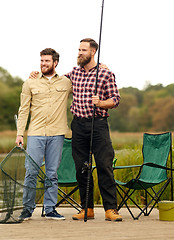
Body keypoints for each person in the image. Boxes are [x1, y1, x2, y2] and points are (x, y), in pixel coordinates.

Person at [65, 38, 122, 221]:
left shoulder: (105, 74)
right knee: (82, 167)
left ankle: (110, 209)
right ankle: (87, 208)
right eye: (79, 49)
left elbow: (115, 100)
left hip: (98, 125)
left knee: (104, 166)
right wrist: (37, 74)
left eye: (83, 50)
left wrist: (101, 103)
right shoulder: (73, 73)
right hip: (79, 125)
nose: (79, 52)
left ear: (93, 52)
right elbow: (55, 83)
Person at [16, 48, 72, 221]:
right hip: (35, 133)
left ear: (55, 62)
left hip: (57, 133)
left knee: (52, 173)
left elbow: (85, 81)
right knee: (31, 171)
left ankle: (50, 209)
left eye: (47, 61)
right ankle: (27, 208)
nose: (43, 64)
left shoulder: (66, 82)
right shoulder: (30, 83)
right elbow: (24, 109)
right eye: (41, 61)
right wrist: (20, 134)